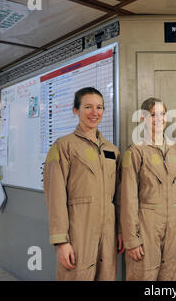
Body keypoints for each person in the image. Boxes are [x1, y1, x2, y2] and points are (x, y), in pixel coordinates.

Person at [43, 87, 124, 280]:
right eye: (88, 107)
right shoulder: (63, 146)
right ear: (76, 110)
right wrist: (61, 241)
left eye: (99, 107)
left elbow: (119, 196)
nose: (94, 113)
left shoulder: (112, 150)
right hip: (78, 232)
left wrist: (121, 231)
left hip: (108, 233)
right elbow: (55, 196)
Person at [120, 97, 176, 281]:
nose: (159, 119)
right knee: (144, 275)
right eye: (153, 115)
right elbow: (128, 197)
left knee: (170, 275)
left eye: (162, 114)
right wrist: (131, 239)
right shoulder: (135, 151)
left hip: (174, 225)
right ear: (143, 118)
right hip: (147, 225)